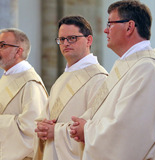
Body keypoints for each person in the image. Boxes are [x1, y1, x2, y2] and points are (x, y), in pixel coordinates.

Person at [70, 1, 155, 160]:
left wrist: (87, 130)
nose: (105, 29)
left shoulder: (148, 69)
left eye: (110, 23)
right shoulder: (128, 65)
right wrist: (78, 126)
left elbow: (129, 132)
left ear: (129, 27)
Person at [33, 16, 108, 160]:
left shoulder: (99, 78)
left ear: (89, 40)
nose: (65, 43)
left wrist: (56, 132)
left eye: (72, 38)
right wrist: (42, 128)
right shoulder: (62, 79)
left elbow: (97, 129)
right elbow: (46, 118)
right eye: (61, 39)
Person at [0, 28, 48, 160]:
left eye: (2, 46)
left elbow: (33, 128)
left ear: (18, 51)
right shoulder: (7, 77)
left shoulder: (30, 83)